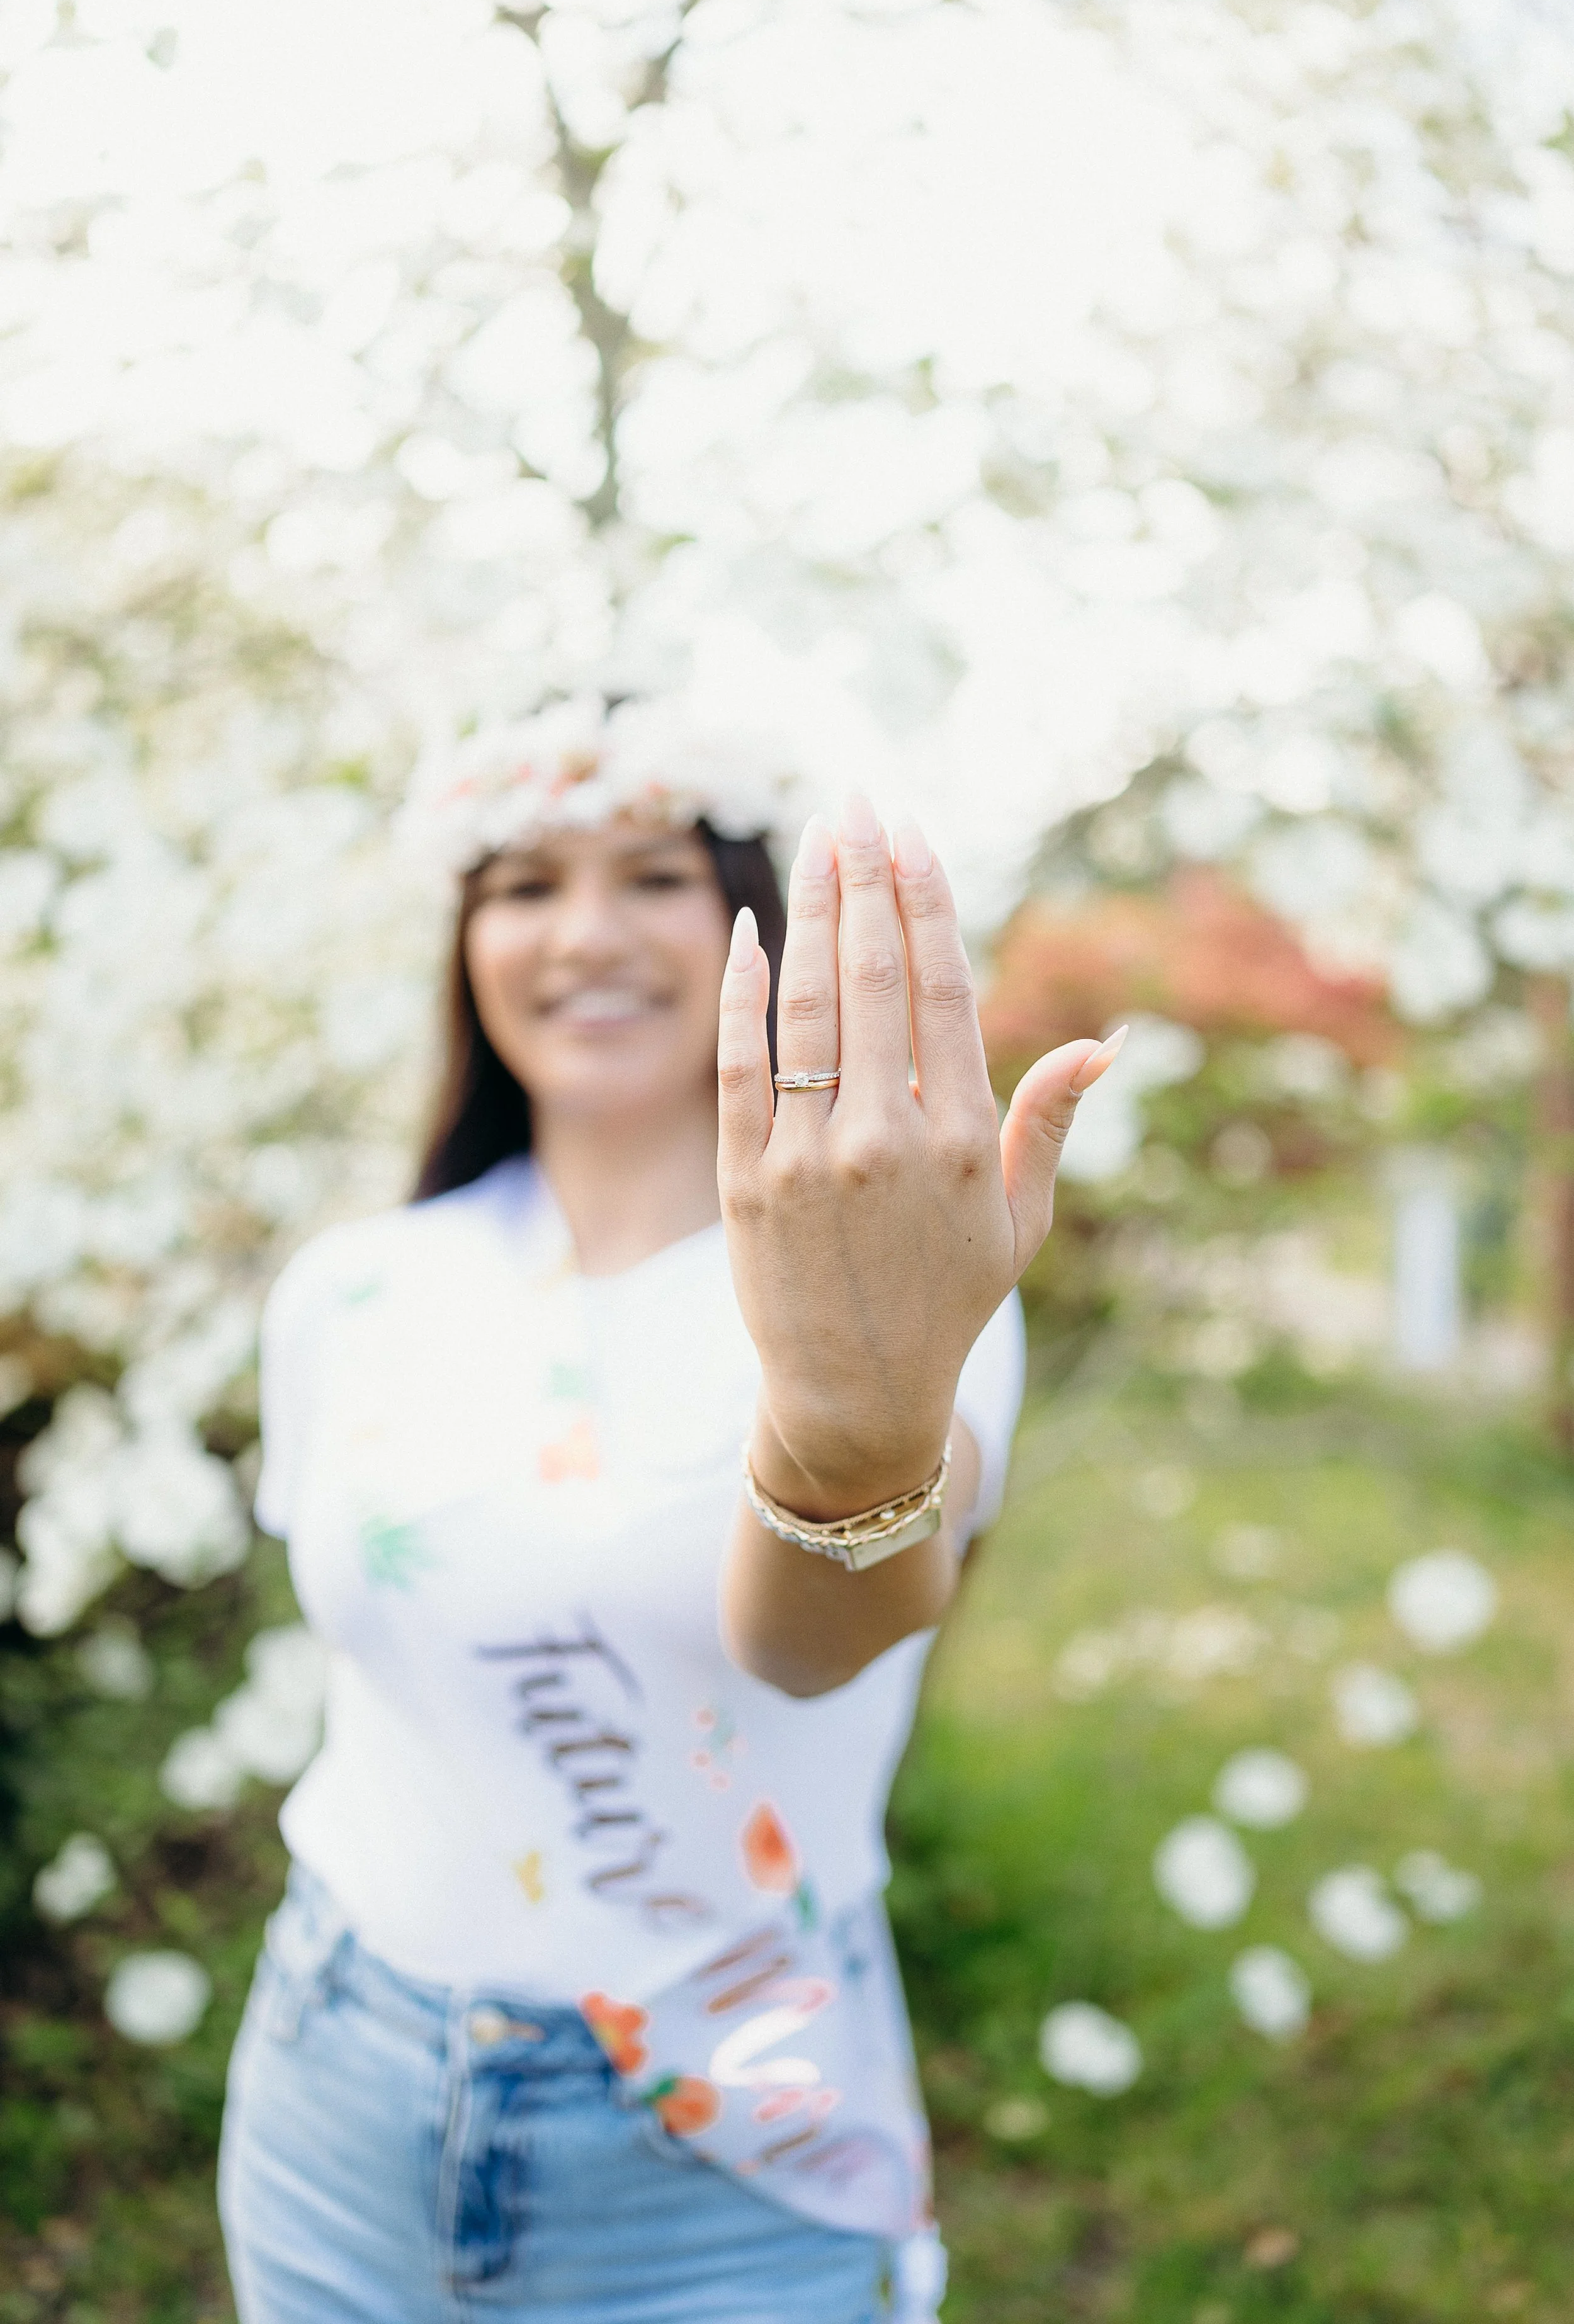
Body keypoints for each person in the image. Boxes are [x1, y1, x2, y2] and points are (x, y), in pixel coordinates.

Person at [217, 695, 1122, 2324]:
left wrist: (852, 1435)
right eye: (520, 885)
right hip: (336, 2077)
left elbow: (819, 1643)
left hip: (724, 2130)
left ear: (744, 915)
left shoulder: (878, 1276)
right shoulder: (354, 1291)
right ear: (464, 940)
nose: (584, 935)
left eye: (648, 874)